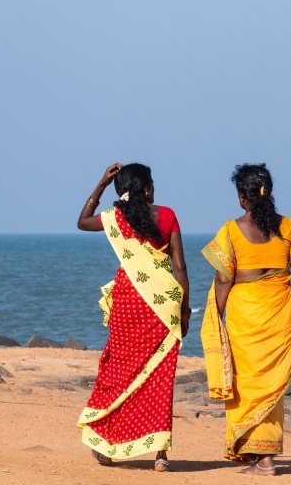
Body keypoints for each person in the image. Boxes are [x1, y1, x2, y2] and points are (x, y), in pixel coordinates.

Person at [200, 163, 291, 476]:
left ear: (242, 198)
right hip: (279, 313)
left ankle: (265, 460)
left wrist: (215, 315)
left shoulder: (231, 230)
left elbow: (222, 279)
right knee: (270, 387)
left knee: (247, 383)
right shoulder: (286, 227)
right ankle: (257, 453)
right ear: (268, 193)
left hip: (246, 314)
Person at [75, 162, 190, 472]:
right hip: (163, 304)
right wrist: (185, 308)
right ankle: (161, 454)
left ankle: (108, 447)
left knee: (119, 371)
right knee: (160, 377)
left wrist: (100, 184)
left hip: (128, 303)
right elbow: (179, 266)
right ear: (148, 188)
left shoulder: (114, 217)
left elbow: (82, 222)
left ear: (121, 191)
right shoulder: (167, 215)